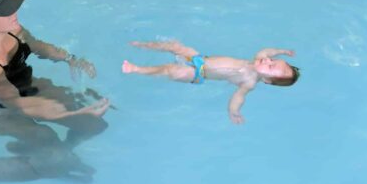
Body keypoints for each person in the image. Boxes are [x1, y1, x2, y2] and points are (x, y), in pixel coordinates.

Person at [122, 40, 300, 124]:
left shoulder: (249, 81)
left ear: (267, 80)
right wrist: (281, 51)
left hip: (199, 73)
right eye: (272, 61)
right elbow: (267, 50)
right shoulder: (258, 59)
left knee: (173, 71)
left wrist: (233, 111)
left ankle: (137, 69)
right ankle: (144, 45)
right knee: (175, 46)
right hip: (200, 59)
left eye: (270, 67)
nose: (267, 61)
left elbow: (238, 97)